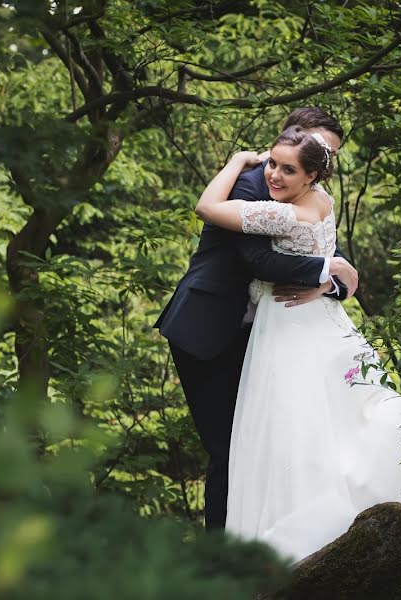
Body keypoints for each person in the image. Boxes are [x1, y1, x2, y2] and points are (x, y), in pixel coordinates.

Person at [195, 126, 401, 562]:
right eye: (271, 164)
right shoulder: (324, 202)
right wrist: (328, 278)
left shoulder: (283, 214)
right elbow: (327, 262)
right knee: (336, 415)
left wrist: (237, 161)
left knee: (288, 424)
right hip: (322, 318)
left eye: (287, 169)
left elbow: (207, 207)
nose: (273, 176)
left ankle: (295, 524)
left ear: (313, 174)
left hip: (285, 323)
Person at [154, 108, 359, 530]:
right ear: (295, 135)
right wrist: (330, 271)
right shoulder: (255, 183)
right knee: (230, 448)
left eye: (330, 156)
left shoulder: (311, 194)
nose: (327, 162)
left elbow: (322, 246)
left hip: (268, 332)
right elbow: (259, 259)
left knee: (272, 440)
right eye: (321, 149)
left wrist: (335, 280)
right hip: (210, 328)